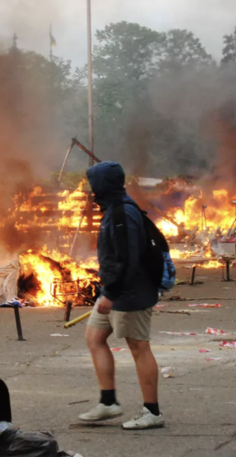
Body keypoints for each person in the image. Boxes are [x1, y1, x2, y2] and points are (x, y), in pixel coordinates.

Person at [78, 161, 164, 430]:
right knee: (94, 337)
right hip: (115, 289)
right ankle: (108, 402)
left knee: (139, 348)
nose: (91, 190)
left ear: (103, 185)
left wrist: (111, 294)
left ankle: (153, 412)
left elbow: (128, 258)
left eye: (93, 184)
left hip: (129, 292)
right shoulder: (113, 209)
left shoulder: (122, 214)